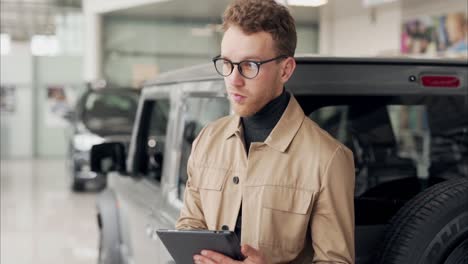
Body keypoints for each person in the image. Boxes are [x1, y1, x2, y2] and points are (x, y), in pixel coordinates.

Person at [176, 0, 355, 263]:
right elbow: (189, 226)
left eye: (249, 65)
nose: (233, 80)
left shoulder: (327, 159)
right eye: (227, 62)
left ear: (285, 70)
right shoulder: (207, 140)